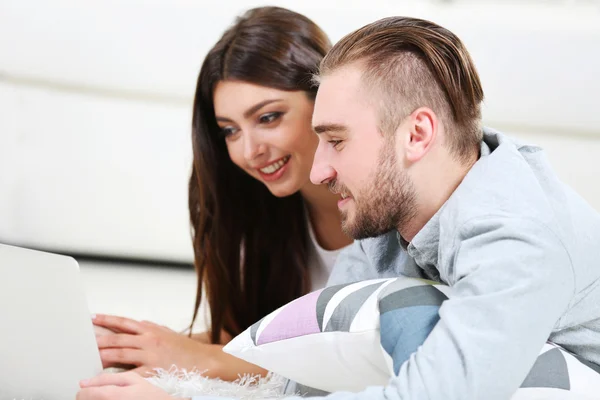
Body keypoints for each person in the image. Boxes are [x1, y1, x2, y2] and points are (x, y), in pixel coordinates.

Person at [77, 15, 600, 400]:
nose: (321, 171)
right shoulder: (393, 218)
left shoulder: (517, 236)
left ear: (417, 134)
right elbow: (311, 364)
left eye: (336, 140)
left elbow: (434, 395)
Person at [90, 6, 351, 382]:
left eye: (268, 117)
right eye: (230, 130)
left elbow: (364, 360)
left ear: (323, 99)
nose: (249, 152)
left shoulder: (389, 206)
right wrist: (131, 348)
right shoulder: (260, 215)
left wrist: (207, 360)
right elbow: (242, 340)